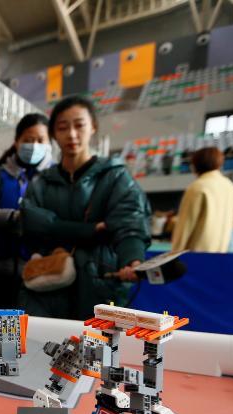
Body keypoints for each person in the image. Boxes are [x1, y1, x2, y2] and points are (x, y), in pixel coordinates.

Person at [20, 95, 150, 319]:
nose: (71, 134)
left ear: (93, 127)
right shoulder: (41, 183)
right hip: (48, 289)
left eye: (79, 125)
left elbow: (129, 222)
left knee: (100, 351)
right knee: (47, 349)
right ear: (53, 135)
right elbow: (32, 224)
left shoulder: (115, 176)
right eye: (62, 127)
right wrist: (88, 230)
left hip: (101, 284)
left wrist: (133, 260)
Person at [0, 113, 51, 309]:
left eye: (40, 140)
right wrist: (14, 217)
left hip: (41, 268)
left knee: (36, 326)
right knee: (4, 326)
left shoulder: (53, 176)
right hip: (2, 265)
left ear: (49, 143)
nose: (34, 145)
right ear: (16, 142)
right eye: (28, 140)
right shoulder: (0, 173)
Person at [170, 147, 233, 252]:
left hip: (196, 253)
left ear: (195, 165)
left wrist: (174, 253)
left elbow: (185, 225)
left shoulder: (198, 186)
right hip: (221, 250)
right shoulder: (231, 187)